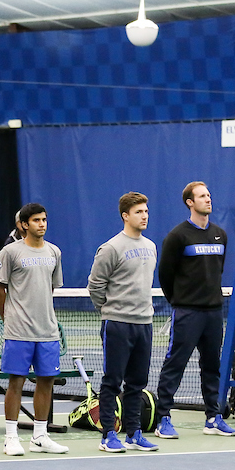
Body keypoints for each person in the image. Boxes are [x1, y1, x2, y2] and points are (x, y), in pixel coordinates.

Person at [154, 182, 235, 438]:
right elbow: (165, 275)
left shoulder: (220, 235)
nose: (208, 200)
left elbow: (217, 270)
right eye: (202, 196)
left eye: (209, 195)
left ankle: (213, 417)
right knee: (175, 364)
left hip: (214, 313)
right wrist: (180, 301)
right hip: (187, 313)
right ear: (190, 202)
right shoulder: (177, 236)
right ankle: (163, 419)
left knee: (212, 366)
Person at [0, 203, 69, 456]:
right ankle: (11, 437)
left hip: (47, 332)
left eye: (44, 219)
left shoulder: (54, 252)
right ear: (24, 224)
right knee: (16, 382)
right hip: (18, 332)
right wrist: (9, 318)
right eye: (36, 220)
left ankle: (40, 436)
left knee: (46, 382)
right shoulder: (10, 252)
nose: (42, 224)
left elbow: (51, 288)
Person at [88, 192, 160, 453]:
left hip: (145, 323)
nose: (144, 216)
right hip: (117, 324)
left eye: (146, 211)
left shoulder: (151, 246)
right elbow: (95, 285)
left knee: (137, 383)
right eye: (139, 212)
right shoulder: (111, 248)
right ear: (125, 216)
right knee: (112, 381)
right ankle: (108, 434)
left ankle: (134, 433)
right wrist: (109, 310)